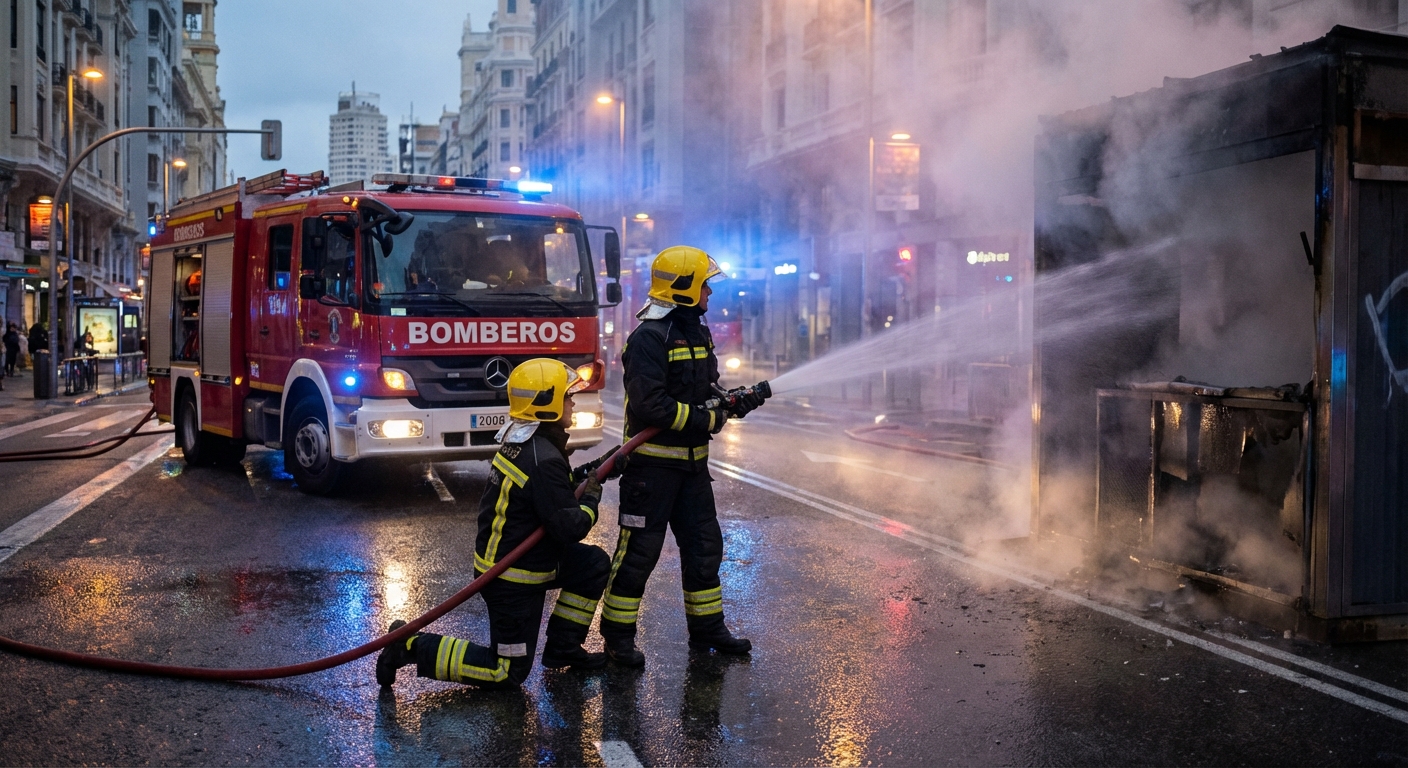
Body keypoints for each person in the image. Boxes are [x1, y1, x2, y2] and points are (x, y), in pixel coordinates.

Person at [376, 358, 622, 689]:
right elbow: (571, 527)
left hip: (524, 563)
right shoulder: (543, 457)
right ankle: (408, 647)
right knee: (506, 671)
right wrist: (592, 498)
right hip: (512, 579)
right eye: (566, 396)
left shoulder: (528, 442)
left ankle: (564, 647)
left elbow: (551, 492)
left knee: (592, 564)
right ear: (546, 404)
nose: (573, 401)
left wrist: (596, 469)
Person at [597, 245, 764, 667]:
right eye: (705, 285)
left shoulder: (696, 331)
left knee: (705, 547)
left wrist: (728, 400)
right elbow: (650, 406)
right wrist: (708, 419)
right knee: (639, 554)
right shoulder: (649, 338)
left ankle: (707, 629)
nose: (710, 293)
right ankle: (617, 637)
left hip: (691, 469)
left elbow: (704, 386)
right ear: (686, 288)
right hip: (651, 471)